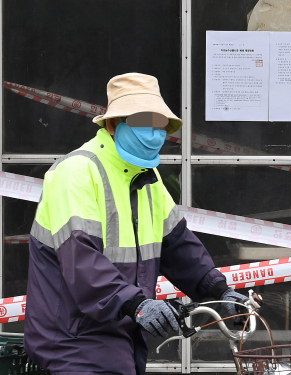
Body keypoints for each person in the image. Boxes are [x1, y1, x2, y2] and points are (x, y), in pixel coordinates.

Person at [24, 73, 249, 375]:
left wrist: (220, 290)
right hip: (72, 341)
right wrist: (137, 304)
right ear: (114, 124)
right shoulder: (77, 172)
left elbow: (178, 246)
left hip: (122, 337)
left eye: (159, 125)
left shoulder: (147, 179)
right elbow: (81, 261)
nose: (154, 133)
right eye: (144, 122)